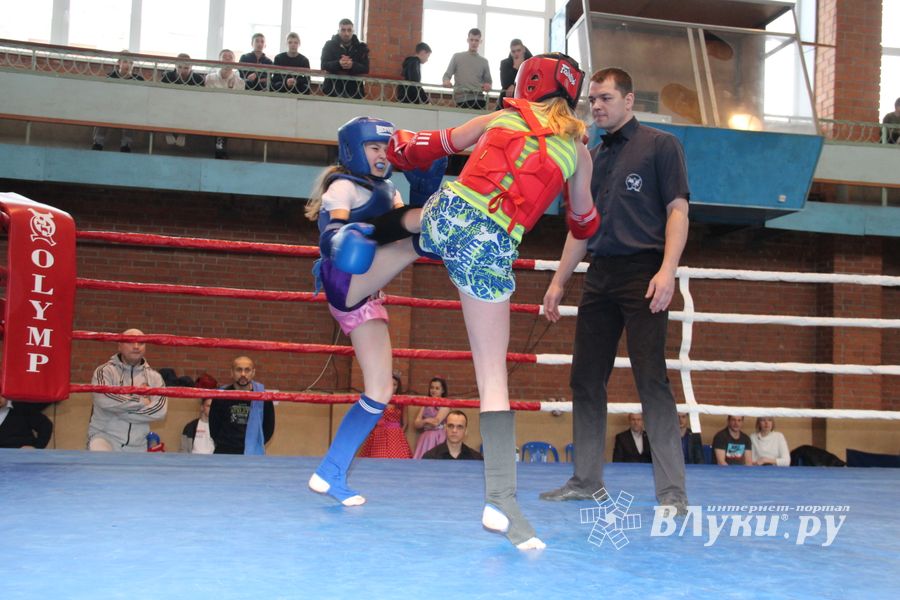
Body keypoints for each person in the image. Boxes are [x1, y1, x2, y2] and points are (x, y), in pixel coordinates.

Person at [387, 53, 598, 550]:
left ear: (528, 83)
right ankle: (500, 499)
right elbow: (584, 222)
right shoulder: (578, 151)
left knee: (417, 220)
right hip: (488, 246)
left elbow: (429, 146)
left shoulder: (500, 118)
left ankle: (365, 233)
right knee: (493, 376)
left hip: (448, 215)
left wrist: (393, 146)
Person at [539, 67, 691, 515]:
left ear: (629, 100)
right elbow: (580, 227)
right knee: (585, 378)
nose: (597, 106)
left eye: (605, 98)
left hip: (645, 273)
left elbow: (678, 211)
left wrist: (667, 270)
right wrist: (559, 280)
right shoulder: (590, 157)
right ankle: (586, 480)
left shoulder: (661, 145)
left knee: (652, 379)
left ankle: (672, 492)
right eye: (592, 100)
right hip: (599, 275)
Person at [306, 115, 438, 509]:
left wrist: (418, 200)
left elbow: (397, 226)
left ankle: (330, 472)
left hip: (365, 296)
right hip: (344, 278)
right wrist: (345, 237)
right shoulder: (342, 186)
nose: (382, 155)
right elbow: (331, 237)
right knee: (422, 238)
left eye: (386, 148)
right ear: (353, 150)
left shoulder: (388, 189)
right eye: (374, 147)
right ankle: (447, 214)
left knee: (381, 390)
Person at [87, 328, 168, 452]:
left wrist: (119, 411)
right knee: (100, 454)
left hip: (139, 444)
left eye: (141, 343)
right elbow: (104, 399)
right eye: (130, 342)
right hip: (105, 438)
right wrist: (141, 401)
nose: (136, 346)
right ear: (119, 346)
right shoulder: (104, 371)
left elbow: (159, 412)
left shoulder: (155, 378)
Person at [208, 356, 275, 455]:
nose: (243, 374)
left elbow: (268, 428)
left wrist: (253, 445)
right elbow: (214, 427)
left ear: (253, 372)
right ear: (232, 372)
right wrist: (225, 444)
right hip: (225, 451)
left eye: (247, 370)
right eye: (239, 370)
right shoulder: (221, 395)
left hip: (252, 452)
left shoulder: (263, 397)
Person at [92, 52, 144, 152]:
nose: (128, 65)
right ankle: (98, 143)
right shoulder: (111, 77)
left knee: (131, 115)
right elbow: (104, 96)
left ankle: (126, 145)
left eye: (131, 62)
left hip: (129, 108)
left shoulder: (138, 79)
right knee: (102, 113)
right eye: (125, 62)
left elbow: (141, 98)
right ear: (118, 63)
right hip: (111, 107)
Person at [358, 372, 412, 458]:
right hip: (379, 434)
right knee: (376, 458)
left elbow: (405, 423)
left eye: (395, 385)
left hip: (395, 435)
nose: (392, 387)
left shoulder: (402, 401)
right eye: (389, 384)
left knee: (398, 459)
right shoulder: (377, 400)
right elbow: (370, 418)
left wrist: (399, 434)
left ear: (398, 386)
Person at [205, 49, 245, 159]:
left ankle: (220, 147)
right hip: (213, 110)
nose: (227, 60)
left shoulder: (240, 81)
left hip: (231, 112)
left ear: (234, 62)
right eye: (224, 57)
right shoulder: (210, 78)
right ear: (219, 60)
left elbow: (239, 102)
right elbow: (208, 98)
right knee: (219, 114)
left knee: (227, 115)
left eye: (230, 57)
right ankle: (220, 147)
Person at [159, 53, 204, 147]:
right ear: (175, 66)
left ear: (191, 67)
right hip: (171, 104)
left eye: (186, 68)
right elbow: (161, 95)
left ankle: (183, 133)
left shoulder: (198, 78)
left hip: (189, 106)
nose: (183, 70)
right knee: (162, 106)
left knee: (193, 109)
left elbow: (201, 98)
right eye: (180, 67)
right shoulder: (168, 76)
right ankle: (167, 131)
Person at [442, 28, 492, 110]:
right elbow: (447, 75)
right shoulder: (457, 57)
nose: (474, 43)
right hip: (461, 99)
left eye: (476, 40)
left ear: (480, 42)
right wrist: (446, 81)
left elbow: (488, 82)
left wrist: (488, 85)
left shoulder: (484, 62)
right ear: (468, 40)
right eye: (471, 40)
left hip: (479, 100)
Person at [321, 19, 369, 99]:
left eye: (349, 30)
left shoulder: (361, 47)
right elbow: (323, 65)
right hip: (332, 90)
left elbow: (366, 68)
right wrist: (339, 63)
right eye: (343, 30)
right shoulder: (329, 45)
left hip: (354, 91)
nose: (346, 33)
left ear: (353, 31)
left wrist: (352, 65)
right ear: (338, 31)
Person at [412, 376, 450, 459]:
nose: (434, 390)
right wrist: (426, 421)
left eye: (437, 388)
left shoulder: (445, 404)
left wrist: (423, 421)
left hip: (439, 437)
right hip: (426, 438)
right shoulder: (425, 404)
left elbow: (436, 422)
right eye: (432, 387)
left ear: (443, 390)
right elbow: (416, 424)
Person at [180, 373, 218, 454]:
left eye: (213, 407)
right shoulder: (190, 427)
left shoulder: (219, 427)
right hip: (193, 460)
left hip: (213, 460)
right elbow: (183, 450)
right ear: (202, 407)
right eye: (208, 406)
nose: (211, 409)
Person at [497, 39, 532, 109]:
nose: (516, 53)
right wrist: (515, 68)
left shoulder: (531, 63)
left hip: (525, 100)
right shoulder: (504, 63)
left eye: (518, 50)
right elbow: (504, 83)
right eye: (513, 51)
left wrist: (514, 85)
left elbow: (530, 81)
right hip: (507, 100)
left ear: (523, 50)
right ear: (510, 52)